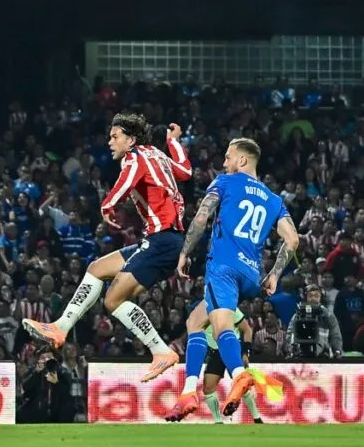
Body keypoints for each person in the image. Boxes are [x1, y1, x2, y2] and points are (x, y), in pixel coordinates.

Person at [22, 114, 192, 382]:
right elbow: (185, 171)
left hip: (161, 240)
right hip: (165, 240)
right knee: (97, 268)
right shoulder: (158, 155)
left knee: (113, 300)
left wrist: (108, 204)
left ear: (131, 140)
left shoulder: (135, 157)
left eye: (115, 137)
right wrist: (174, 142)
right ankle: (60, 328)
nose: (110, 142)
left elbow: (126, 181)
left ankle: (161, 351)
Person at [166, 137, 299, 419]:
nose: (224, 163)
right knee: (195, 322)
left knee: (221, 327)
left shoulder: (225, 182)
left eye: (228, 157)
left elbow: (201, 217)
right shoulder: (274, 200)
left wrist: (185, 253)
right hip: (251, 274)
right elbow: (293, 239)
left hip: (223, 267)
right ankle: (188, 391)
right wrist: (275, 274)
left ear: (242, 160)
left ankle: (239, 374)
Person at [169, 307, 262, 424]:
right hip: (215, 351)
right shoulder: (201, 311)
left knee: (242, 384)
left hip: (232, 349)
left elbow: (247, 329)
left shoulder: (230, 308)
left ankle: (257, 418)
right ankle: (218, 421)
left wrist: (245, 353)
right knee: (208, 387)